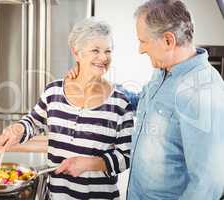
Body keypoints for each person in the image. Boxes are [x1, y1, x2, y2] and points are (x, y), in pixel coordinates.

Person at [67, 0, 224, 199]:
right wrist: (97, 82)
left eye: (144, 41)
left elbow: (208, 184)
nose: (141, 49)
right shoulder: (164, 71)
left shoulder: (202, 91)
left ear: (168, 41)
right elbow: (145, 101)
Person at [0, 17, 134, 200]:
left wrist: (88, 163)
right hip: (57, 195)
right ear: (76, 53)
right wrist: (19, 129)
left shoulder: (120, 103)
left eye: (108, 51)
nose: (103, 58)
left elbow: (125, 157)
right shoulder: (53, 91)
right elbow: (34, 122)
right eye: (95, 50)